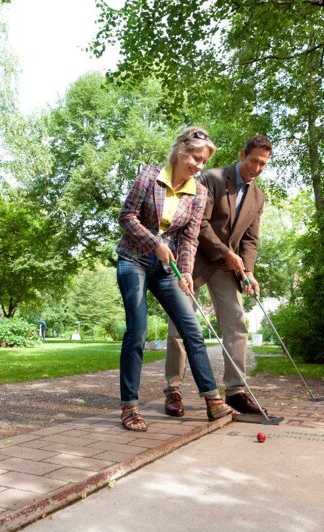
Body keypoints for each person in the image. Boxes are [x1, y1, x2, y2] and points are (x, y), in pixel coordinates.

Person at [115, 127, 233, 432]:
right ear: (180, 150)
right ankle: (130, 406)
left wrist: (187, 274)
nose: (198, 165)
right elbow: (126, 217)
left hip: (167, 269)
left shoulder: (199, 193)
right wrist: (155, 243)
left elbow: (190, 239)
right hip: (134, 260)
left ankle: (212, 399)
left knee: (192, 330)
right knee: (138, 331)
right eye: (195, 157)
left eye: (203, 161)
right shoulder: (149, 177)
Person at [164, 134, 273, 418]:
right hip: (196, 260)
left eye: (263, 164)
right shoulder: (211, 178)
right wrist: (227, 252)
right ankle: (173, 391)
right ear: (241, 155)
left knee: (237, 324)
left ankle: (235, 391)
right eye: (254, 161)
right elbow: (198, 223)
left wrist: (248, 270)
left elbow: (251, 239)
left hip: (227, 267)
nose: (257, 168)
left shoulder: (258, 196)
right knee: (180, 327)